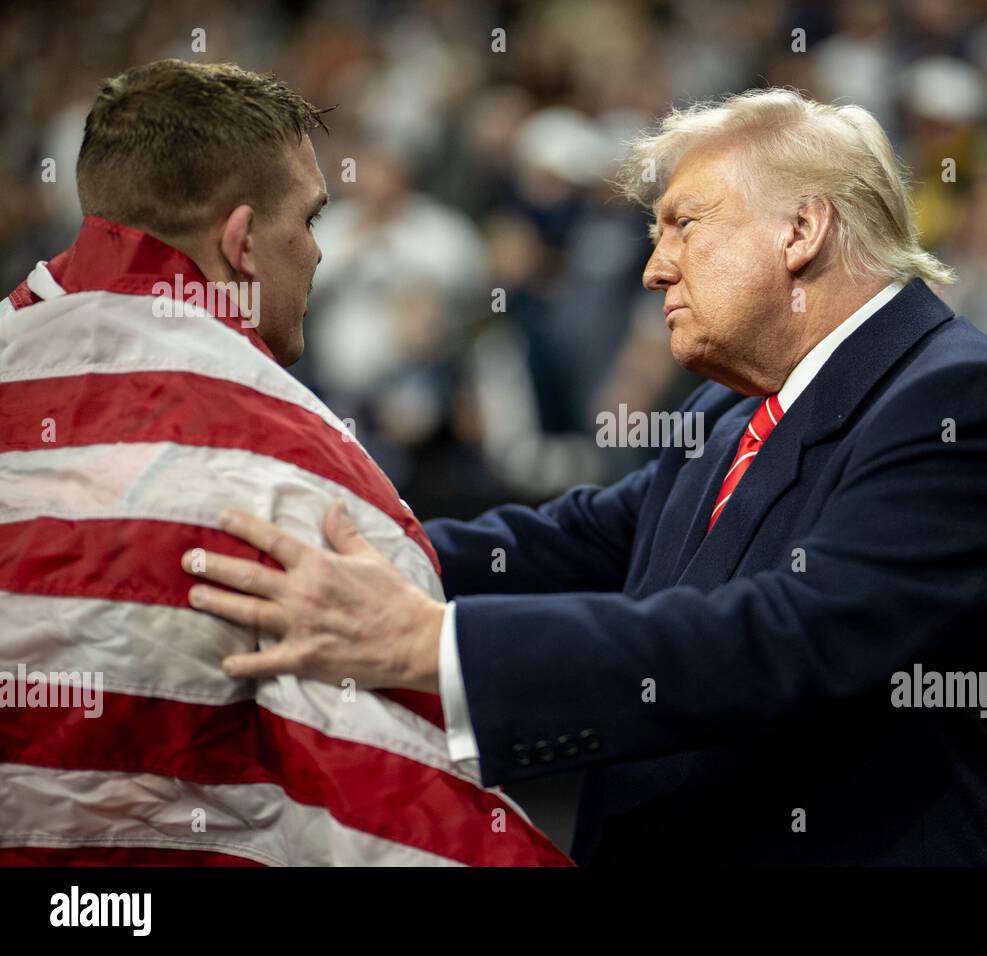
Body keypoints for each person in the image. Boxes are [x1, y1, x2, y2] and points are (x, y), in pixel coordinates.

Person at [186, 89, 987, 865]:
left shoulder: (973, 405)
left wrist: (436, 646)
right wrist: (307, 536)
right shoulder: (736, 408)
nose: (654, 267)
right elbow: (573, 543)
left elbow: (788, 637)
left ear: (801, 229)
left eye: (683, 226)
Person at [0, 59, 568, 867]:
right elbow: (406, 823)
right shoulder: (297, 472)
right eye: (308, 221)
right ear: (242, 244)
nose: (318, 254)